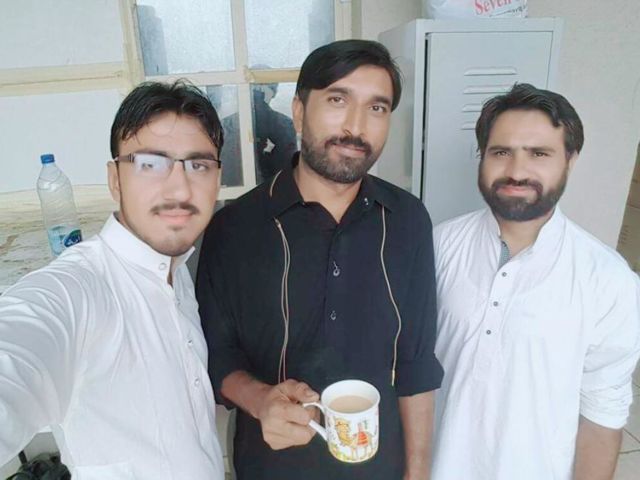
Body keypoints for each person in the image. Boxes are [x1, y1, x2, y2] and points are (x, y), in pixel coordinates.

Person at [197, 39, 443, 480]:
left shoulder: (407, 221)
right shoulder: (235, 227)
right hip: (271, 467)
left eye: (377, 108)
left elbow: (416, 360)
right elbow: (216, 354)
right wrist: (260, 400)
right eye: (337, 100)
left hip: (381, 467)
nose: (355, 126)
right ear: (297, 111)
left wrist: (419, 471)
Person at [0, 81, 226, 479]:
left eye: (198, 165)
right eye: (150, 164)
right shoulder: (80, 290)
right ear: (115, 179)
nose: (179, 187)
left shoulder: (176, 269)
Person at [431, 83, 640, 479]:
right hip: (435, 467)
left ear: (570, 161)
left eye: (539, 154)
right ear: (482, 157)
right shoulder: (440, 245)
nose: (516, 171)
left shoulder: (608, 280)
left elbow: (602, 416)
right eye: (501, 152)